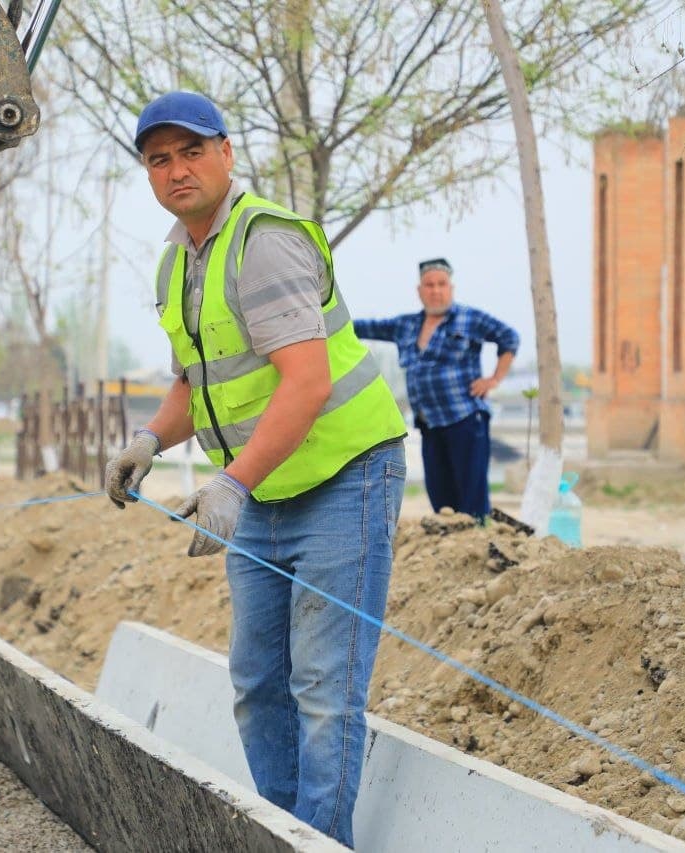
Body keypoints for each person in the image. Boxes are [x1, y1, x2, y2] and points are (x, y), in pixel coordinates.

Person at [103, 91, 406, 847]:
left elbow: (305, 381)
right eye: (159, 158)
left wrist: (231, 484)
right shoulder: (179, 259)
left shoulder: (261, 239)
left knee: (325, 689)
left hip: (345, 476)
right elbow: (195, 382)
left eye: (192, 151)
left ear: (227, 153)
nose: (177, 170)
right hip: (265, 487)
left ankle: (317, 842)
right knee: (257, 682)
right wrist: (148, 440)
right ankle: (282, 831)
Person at [354, 258, 519, 519]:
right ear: (420, 291)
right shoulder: (406, 325)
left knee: (471, 502)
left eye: (441, 284)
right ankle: (448, 550)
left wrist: (494, 379)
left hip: (465, 419)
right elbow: (362, 327)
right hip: (429, 423)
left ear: (451, 288)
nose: (436, 290)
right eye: (429, 285)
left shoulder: (469, 319)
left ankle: (476, 543)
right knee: (441, 500)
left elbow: (509, 337)